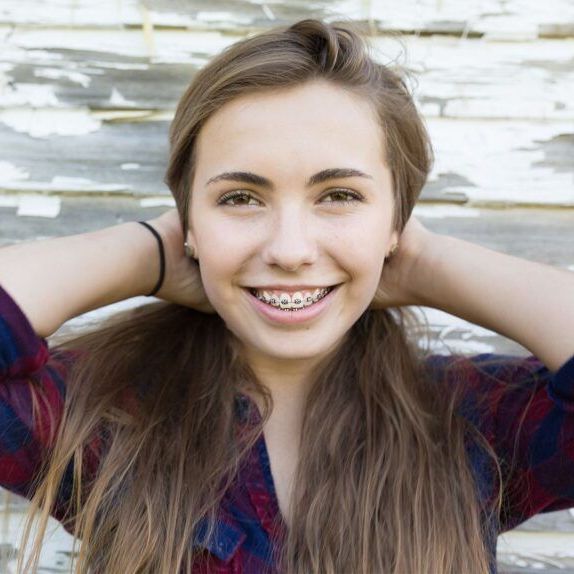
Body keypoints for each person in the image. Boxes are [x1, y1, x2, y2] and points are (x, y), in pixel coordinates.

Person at [0, 17, 572, 574]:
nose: (291, 249)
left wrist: (428, 262)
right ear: (188, 221)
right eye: (241, 199)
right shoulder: (107, 414)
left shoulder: (473, 421)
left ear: (396, 219)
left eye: (340, 195)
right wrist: (145, 252)